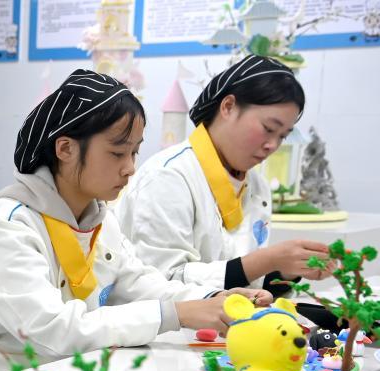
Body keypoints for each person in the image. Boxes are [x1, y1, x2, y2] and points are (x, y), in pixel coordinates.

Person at [0, 70, 269, 371]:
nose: (130, 168)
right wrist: (176, 314)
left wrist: (212, 299)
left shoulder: (99, 219)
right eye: (117, 153)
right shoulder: (9, 228)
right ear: (65, 148)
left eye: (134, 152)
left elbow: (138, 282)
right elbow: (55, 330)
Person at [116, 55, 329, 295]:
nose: (272, 145)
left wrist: (286, 270)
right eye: (268, 128)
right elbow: (161, 282)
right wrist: (266, 260)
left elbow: (247, 284)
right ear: (228, 107)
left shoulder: (256, 186)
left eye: (282, 136)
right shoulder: (168, 176)